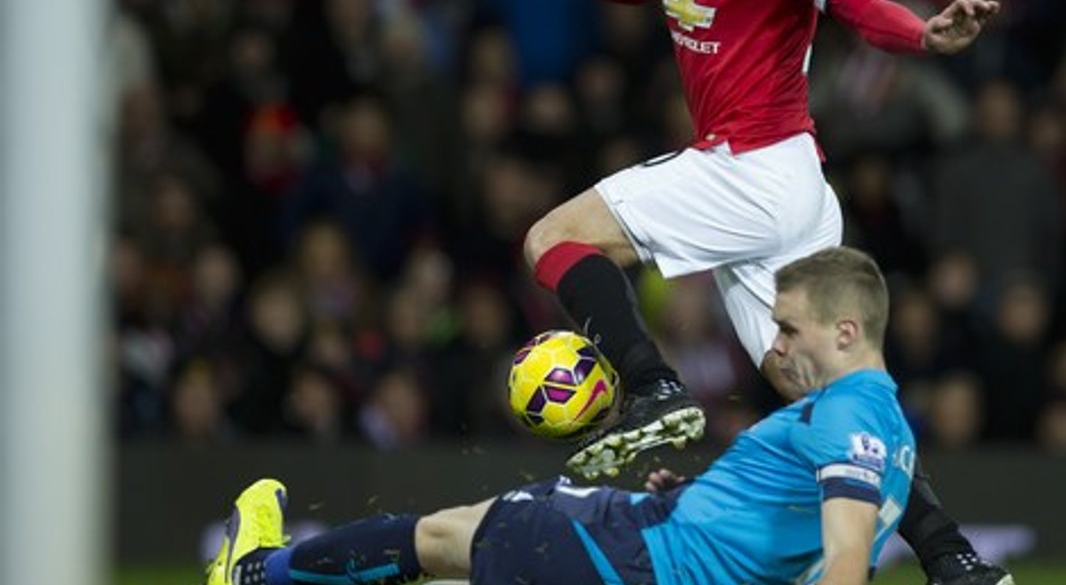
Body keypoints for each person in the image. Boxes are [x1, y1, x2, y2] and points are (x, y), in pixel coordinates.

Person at [480, 0, 1008, 584]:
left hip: (755, 166)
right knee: (822, 393)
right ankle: (954, 557)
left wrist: (923, 35)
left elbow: (854, 3)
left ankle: (653, 385)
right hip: (785, 189)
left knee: (554, 238)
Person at [207, 247, 916, 585]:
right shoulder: (893, 435)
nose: (778, 344)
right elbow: (807, 545)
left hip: (636, 558)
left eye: (791, 329)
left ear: (846, 332)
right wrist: (700, 499)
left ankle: (256, 572)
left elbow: (846, 560)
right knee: (456, 545)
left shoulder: (844, 411)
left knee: (447, 536)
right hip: (651, 538)